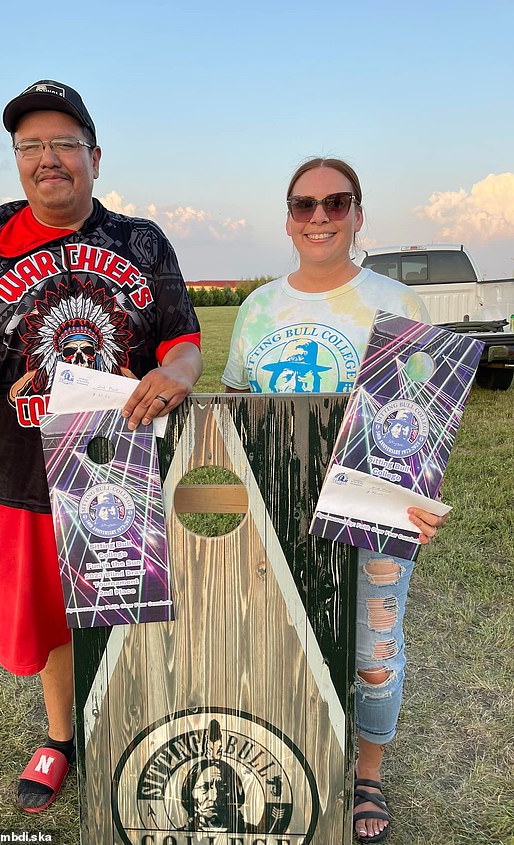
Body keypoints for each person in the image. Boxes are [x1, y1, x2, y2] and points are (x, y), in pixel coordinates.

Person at [0, 80, 202, 813]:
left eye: (63, 143)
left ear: (94, 156)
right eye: (31, 146)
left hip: (130, 465)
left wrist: (174, 371)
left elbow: (184, 340)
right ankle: (62, 736)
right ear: (18, 160)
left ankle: (140, 722)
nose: (47, 158)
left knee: (136, 601)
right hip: (27, 470)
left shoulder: (142, 240)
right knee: (53, 621)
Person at [222, 157, 447, 843]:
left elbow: (424, 417)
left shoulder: (397, 303)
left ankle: (368, 774)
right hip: (280, 503)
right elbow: (236, 403)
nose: (319, 217)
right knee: (284, 637)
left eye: (336, 202)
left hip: (374, 513)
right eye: (304, 205)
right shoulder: (260, 307)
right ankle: (295, 749)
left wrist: (422, 497)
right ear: (288, 219)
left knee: (374, 651)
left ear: (356, 212)